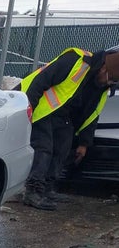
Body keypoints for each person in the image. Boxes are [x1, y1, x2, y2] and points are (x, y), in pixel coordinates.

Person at [16, 47, 119, 210]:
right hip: (39, 107)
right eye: (110, 79)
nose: (109, 84)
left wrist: (84, 144)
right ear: (104, 68)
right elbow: (40, 81)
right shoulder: (77, 61)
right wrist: (27, 111)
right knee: (44, 148)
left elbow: (92, 117)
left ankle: (47, 188)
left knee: (62, 148)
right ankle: (32, 191)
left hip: (60, 115)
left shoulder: (100, 89)